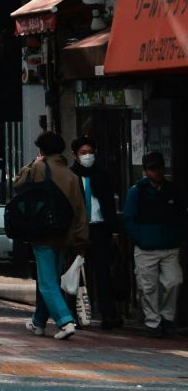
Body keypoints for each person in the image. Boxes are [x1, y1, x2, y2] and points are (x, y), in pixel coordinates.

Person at [15, 130, 86, 339]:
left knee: (47, 283)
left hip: (42, 232)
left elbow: (18, 184)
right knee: (52, 279)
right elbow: (80, 210)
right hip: (63, 235)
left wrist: (33, 163)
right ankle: (38, 322)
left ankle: (65, 321)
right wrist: (81, 238)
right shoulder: (72, 176)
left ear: (42, 150)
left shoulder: (38, 167)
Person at [125, 150, 186, 337]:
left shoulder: (172, 190)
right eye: (152, 169)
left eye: (158, 168)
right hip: (147, 246)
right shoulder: (137, 191)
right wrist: (139, 238)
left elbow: (182, 216)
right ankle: (154, 322)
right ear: (145, 170)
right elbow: (129, 218)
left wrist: (177, 237)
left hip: (168, 245)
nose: (156, 172)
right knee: (148, 286)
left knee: (174, 281)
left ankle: (166, 319)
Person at [70, 137, 122, 330]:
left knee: (103, 273)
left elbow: (109, 203)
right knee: (78, 273)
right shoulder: (71, 176)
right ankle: (77, 314)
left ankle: (109, 314)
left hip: (100, 228)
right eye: (83, 153)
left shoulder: (102, 175)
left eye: (90, 152)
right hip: (79, 231)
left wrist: (113, 231)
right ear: (74, 155)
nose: (88, 156)